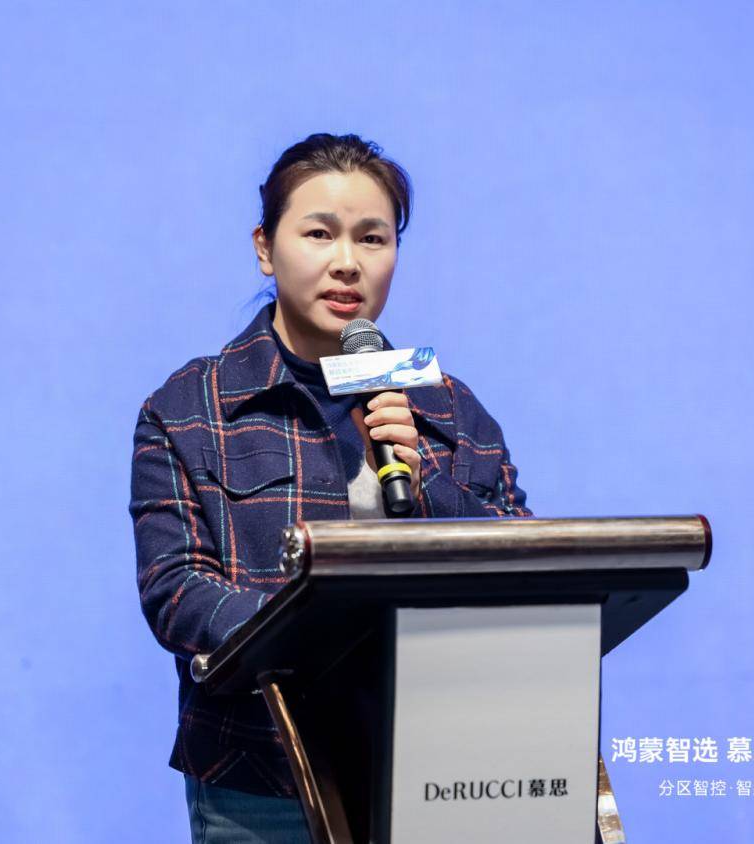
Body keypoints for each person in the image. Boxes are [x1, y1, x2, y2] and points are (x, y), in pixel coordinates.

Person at [128, 132, 532, 843]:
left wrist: (428, 483)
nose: (348, 262)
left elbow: (525, 561)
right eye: (319, 233)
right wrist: (317, 638)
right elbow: (176, 591)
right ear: (265, 247)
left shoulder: (445, 403)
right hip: (265, 775)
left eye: (373, 238)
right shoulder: (191, 407)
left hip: (443, 768)